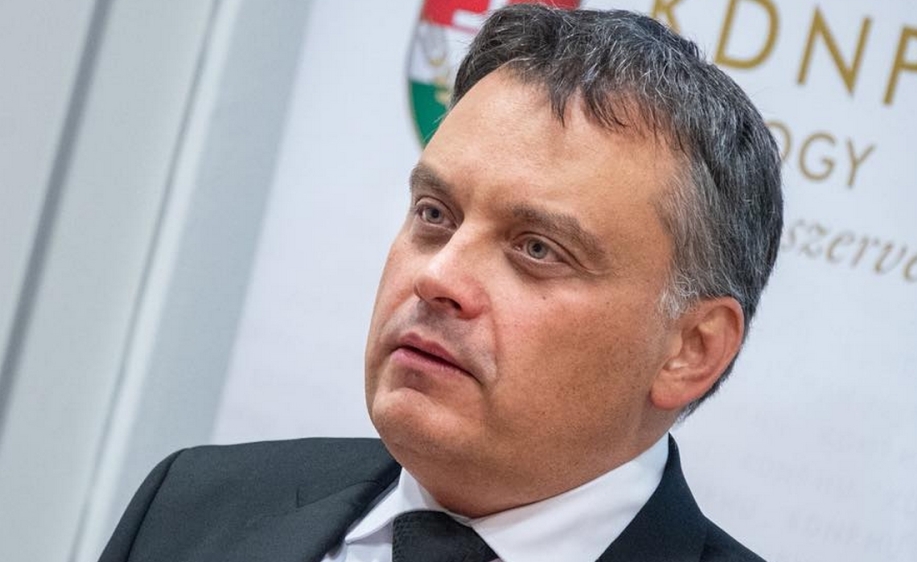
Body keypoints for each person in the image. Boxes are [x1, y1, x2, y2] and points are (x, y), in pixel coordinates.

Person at [99, 4, 782, 562]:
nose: (437, 276)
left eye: (537, 249)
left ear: (690, 349)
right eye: (434, 215)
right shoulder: (190, 509)